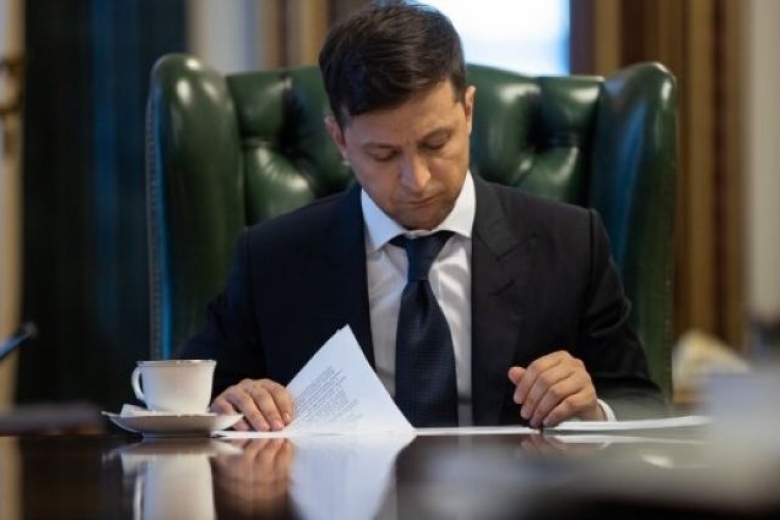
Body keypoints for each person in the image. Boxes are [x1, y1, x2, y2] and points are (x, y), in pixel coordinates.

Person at [178, 0, 668, 431]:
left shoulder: (571, 242)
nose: (417, 179)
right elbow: (181, 404)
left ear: (468, 112)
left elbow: (644, 407)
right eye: (384, 155)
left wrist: (593, 411)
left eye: (436, 143)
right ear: (340, 140)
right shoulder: (272, 259)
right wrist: (229, 407)